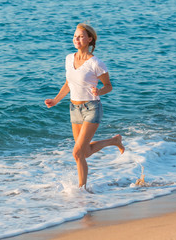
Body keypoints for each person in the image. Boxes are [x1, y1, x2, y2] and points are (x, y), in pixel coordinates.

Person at [45, 23, 125, 190]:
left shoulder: (96, 63)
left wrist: (99, 91)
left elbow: (109, 85)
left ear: (89, 39)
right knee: (83, 152)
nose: (77, 39)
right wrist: (55, 100)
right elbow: (68, 84)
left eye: (81, 36)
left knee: (77, 153)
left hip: (91, 109)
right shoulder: (69, 58)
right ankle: (114, 140)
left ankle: (82, 190)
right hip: (74, 109)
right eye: (75, 36)